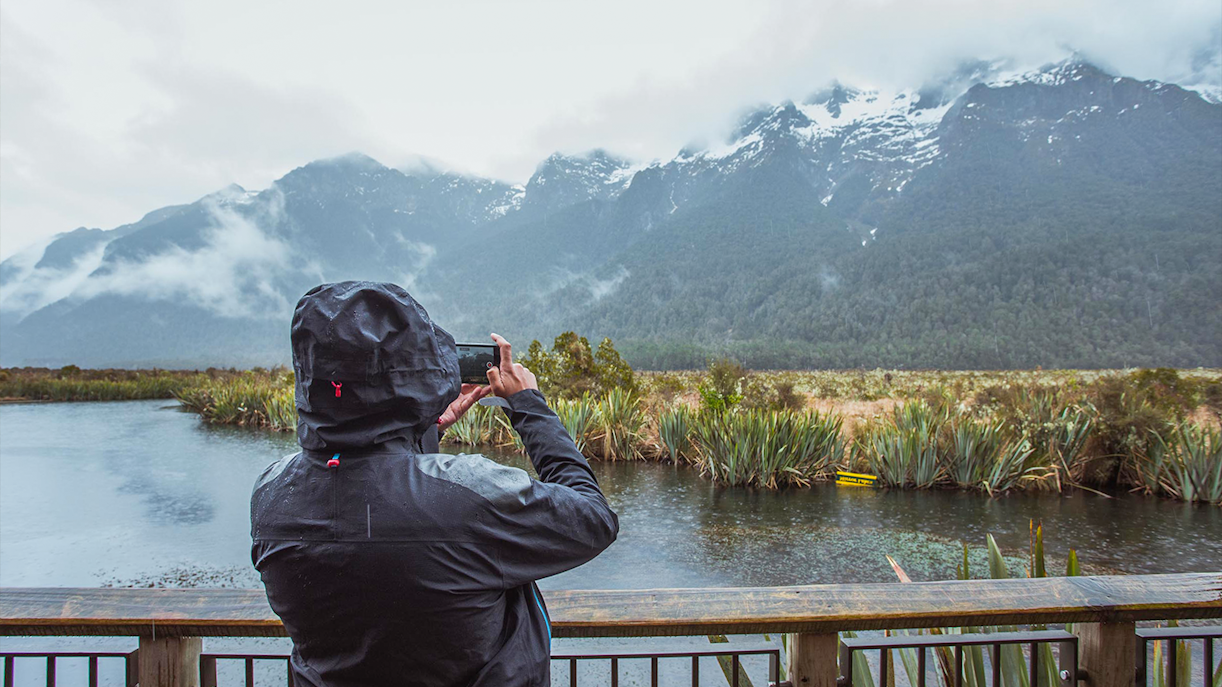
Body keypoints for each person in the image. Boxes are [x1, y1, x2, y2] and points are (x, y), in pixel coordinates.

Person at [251, 281, 619, 686]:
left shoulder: (271, 496)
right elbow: (593, 518)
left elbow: (368, 487)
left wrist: (419, 431)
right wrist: (529, 406)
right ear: (417, 372)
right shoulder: (469, 497)